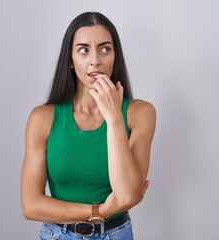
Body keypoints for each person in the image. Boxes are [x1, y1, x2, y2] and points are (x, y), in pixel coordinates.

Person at [20, 12, 156, 239]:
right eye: (84, 49)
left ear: (115, 56)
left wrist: (113, 118)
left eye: (105, 49)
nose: (95, 60)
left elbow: (128, 194)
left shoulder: (140, 113)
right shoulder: (42, 118)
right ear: (71, 60)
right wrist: (100, 211)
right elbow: (30, 205)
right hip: (59, 235)